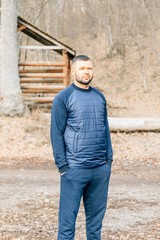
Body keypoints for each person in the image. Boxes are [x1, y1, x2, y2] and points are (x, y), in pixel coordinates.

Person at [50, 55, 113, 240]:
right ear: (73, 71)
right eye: (82, 68)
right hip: (74, 170)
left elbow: (105, 128)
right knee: (67, 227)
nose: (86, 72)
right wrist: (63, 167)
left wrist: (108, 161)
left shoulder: (99, 96)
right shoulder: (63, 98)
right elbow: (56, 134)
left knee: (95, 228)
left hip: (100, 170)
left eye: (89, 68)